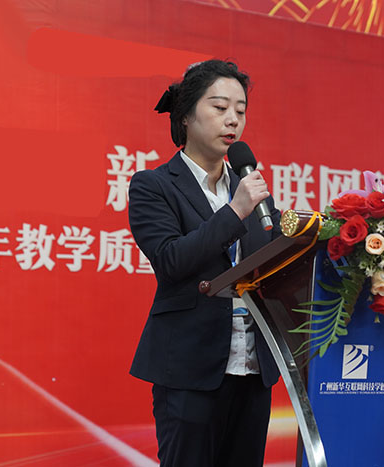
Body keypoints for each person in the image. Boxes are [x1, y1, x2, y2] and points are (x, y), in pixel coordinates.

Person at [128, 59, 282, 466]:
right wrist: (235, 211)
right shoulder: (154, 185)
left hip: (253, 368)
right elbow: (171, 259)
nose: (233, 119)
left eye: (241, 110)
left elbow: (277, 256)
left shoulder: (251, 190)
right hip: (190, 370)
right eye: (219, 107)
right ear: (186, 116)